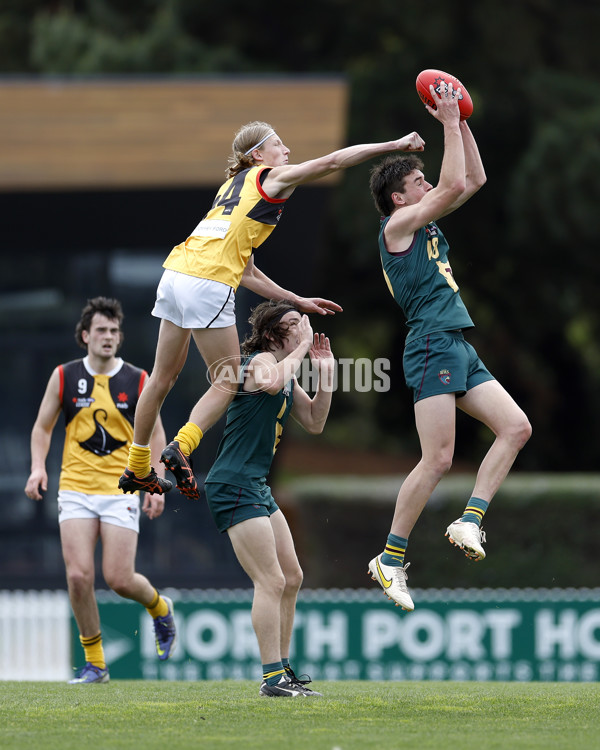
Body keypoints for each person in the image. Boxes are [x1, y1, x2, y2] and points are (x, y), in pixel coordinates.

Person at [118, 121, 425, 501]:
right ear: (257, 155)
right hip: (208, 282)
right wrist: (394, 142)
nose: (288, 151)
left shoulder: (231, 187)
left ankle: (136, 466)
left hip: (176, 274)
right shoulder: (269, 177)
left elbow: (246, 271)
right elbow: (332, 162)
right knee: (229, 379)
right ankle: (181, 446)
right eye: (279, 144)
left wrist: (296, 300)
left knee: (162, 377)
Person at [367, 82, 532, 610]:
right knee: (437, 459)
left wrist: (459, 119)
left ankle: (470, 520)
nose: (429, 184)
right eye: (419, 181)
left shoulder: (425, 218)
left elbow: (473, 178)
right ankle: (389, 558)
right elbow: (456, 179)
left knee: (516, 428)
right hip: (431, 344)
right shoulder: (398, 225)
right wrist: (445, 121)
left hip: (455, 343)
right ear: (399, 197)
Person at [24, 297, 177, 684]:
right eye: (101, 331)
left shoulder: (139, 379)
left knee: (120, 579)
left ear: (119, 337)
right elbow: (42, 428)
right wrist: (38, 468)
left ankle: (160, 608)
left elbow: (157, 434)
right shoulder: (64, 376)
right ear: (85, 336)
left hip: (121, 490)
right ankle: (96, 663)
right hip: (74, 488)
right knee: (78, 576)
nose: (108, 337)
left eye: (114, 331)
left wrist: (155, 483)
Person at [204, 299, 335, 697]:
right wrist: (301, 349)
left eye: (302, 323)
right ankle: (272, 678)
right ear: (271, 333)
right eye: (294, 322)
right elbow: (271, 382)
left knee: (291, 577)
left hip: (255, 483)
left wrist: (325, 375)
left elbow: (314, 422)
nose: (302, 327)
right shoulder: (258, 361)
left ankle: (283, 671)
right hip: (232, 482)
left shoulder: (288, 373)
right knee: (271, 579)